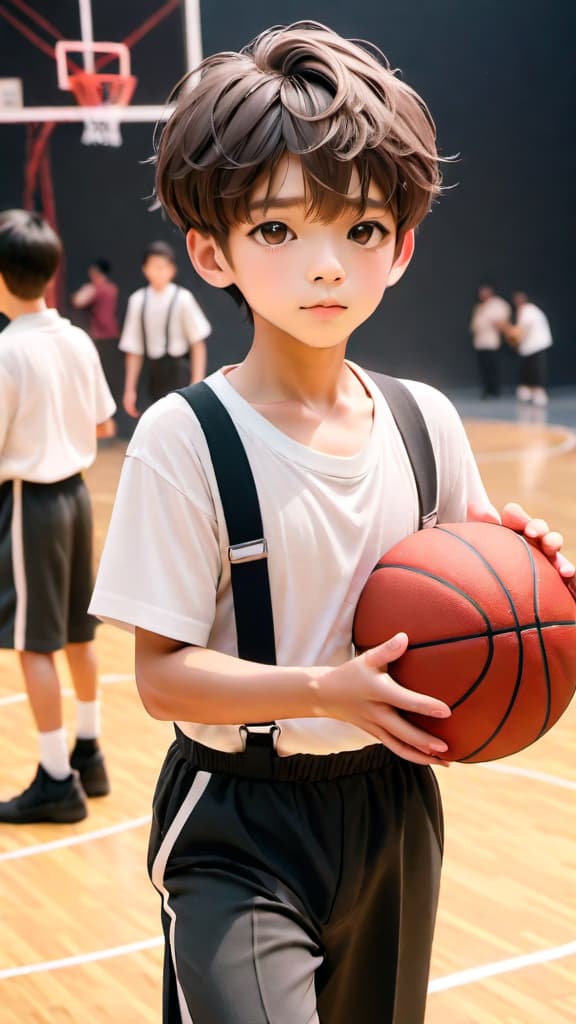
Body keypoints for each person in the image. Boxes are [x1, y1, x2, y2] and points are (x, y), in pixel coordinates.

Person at [89, 23, 575, 1023]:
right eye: (277, 230)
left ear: (399, 246)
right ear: (211, 250)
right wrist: (322, 688)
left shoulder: (425, 422)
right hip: (238, 818)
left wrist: (538, 588)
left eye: (358, 230)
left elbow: (484, 613)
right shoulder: (187, 437)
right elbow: (160, 676)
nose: (325, 266)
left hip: (393, 811)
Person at [0, 210, 116, 824]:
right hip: (74, 496)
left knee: (32, 645)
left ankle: (54, 779)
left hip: (30, 503)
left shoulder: (7, 352)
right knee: (77, 633)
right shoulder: (73, 338)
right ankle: (89, 753)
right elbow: (102, 422)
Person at [119, 240, 211, 418]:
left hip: (179, 371)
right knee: (157, 420)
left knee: (182, 420)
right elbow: (134, 349)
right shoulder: (137, 300)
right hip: (154, 372)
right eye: (154, 266)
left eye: (163, 267)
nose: (158, 271)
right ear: (145, 269)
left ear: (172, 270)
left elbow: (198, 343)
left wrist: (197, 383)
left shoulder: (183, 298)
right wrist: (129, 389)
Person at [71, 259, 126, 433]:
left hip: (100, 338)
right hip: (112, 337)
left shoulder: (94, 289)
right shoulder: (113, 289)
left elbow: (77, 301)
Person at [500, 291, 553, 406]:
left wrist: (506, 329)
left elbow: (519, 332)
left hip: (536, 347)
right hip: (529, 348)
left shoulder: (528, 310)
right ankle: (528, 393)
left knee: (536, 371)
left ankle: (539, 395)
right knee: (527, 371)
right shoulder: (528, 310)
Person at [469, 284, 510, 398]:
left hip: (491, 343)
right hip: (480, 342)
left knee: (492, 367)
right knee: (484, 368)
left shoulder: (497, 304)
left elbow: (502, 319)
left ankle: (494, 390)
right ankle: (487, 390)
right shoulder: (480, 307)